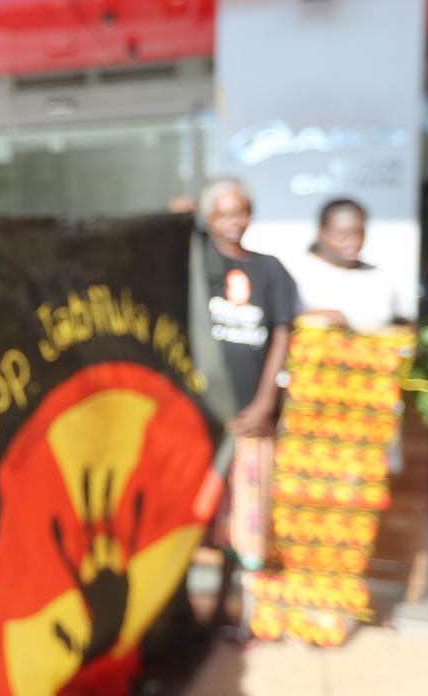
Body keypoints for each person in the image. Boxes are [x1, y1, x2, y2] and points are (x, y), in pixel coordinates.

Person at [199, 178, 297, 630]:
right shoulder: (196, 266)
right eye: (223, 214)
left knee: (246, 519)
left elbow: (281, 333)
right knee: (201, 518)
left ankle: (234, 608)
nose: (233, 221)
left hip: (251, 421)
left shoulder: (270, 270)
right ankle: (193, 611)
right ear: (207, 218)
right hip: (203, 421)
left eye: (240, 211)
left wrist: (263, 403)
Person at [287, 198, 406, 331]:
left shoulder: (380, 275)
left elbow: (399, 321)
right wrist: (309, 316)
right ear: (321, 232)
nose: (353, 241)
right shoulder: (297, 272)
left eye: (359, 233)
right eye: (343, 234)